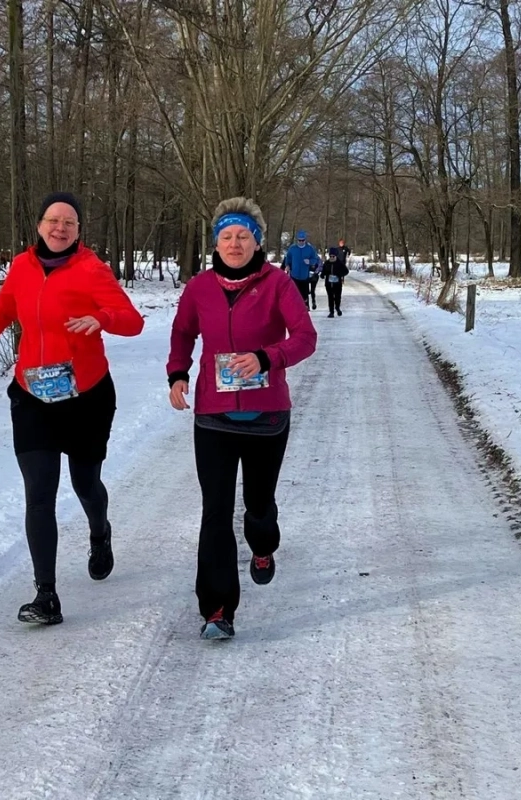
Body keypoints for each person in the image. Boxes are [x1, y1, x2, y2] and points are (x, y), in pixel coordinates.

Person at [0, 192, 144, 626]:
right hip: (33, 396)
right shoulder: (21, 266)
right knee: (39, 494)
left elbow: (132, 320)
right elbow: (4, 307)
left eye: (69, 222)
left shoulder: (92, 269)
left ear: (78, 231)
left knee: (85, 483)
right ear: (40, 225)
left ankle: (100, 532)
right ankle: (46, 595)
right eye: (53, 220)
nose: (60, 228)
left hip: (86, 397)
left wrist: (103, 319)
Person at [167, 197, 317, 640]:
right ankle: (217, 609)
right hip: (213, 415)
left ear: (257, 242)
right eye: (227, 236)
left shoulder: (278, 284)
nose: (235, 244)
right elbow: (183, 331)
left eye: (243, 236)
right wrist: (177, 373)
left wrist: (266, 357)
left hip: (266, 415)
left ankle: (264, 546)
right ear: (216, 242)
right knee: (215, 511)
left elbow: (305, 337)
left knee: (258, 504)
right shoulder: (199, 287)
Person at [281, 230, 320, 310]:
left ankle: (305, 307)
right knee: (294, 294)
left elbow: (315, 259)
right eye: (299, 240)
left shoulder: (310, 249)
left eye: (303, 240)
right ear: (297, 240)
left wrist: (310, 261)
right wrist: (287, 265)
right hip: (294, 275)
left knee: (304, 294)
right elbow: (288, 258)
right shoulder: (292, 248)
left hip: (304, 276)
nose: (301, 242)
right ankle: (295, 308)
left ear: (305, 240)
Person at [321, 247, 349, 318]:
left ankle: (337, 308)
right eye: (330, 256)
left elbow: (346, 271)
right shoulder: (327, 263)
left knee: (337, 297)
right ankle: (331, 312)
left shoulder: (339, 263)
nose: (332, 258)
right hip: (328, 284)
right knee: (330, 298)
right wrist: (322, 275)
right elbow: (323, 271)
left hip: (337, 284)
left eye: (333, 256)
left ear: (336, 256)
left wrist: (339, 274)